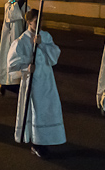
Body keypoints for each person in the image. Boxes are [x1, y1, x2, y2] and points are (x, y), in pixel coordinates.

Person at [7, 9, 66, 159]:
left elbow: (54, 56)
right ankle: (37, 143)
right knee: (36, 112)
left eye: (41, 21)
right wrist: (26, 69)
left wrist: (42, 44)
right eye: (35, 22)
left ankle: (46, 139)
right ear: (28, 22)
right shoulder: (21, 41)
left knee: (48, 110)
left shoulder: (45, 36)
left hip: (47, 80)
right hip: (32, 82)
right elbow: (12, 66)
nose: (39, 24)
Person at [0, 0, 28, 95]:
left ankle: (18, 84)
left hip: (21, 38)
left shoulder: (24, 5)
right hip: (11, 39)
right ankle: (4, 83)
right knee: (10, 60)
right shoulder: (9, 5)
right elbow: (12, 14)